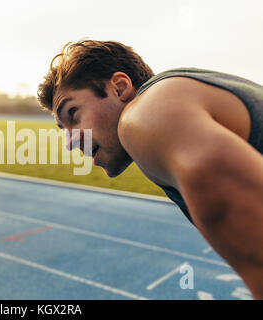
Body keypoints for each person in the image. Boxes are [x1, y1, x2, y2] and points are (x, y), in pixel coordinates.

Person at [37, 40, 263, 299]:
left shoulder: (143, 118)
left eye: (73, 113)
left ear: (119, 87)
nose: (71, 142)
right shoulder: (176, 93)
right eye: (63, 130)